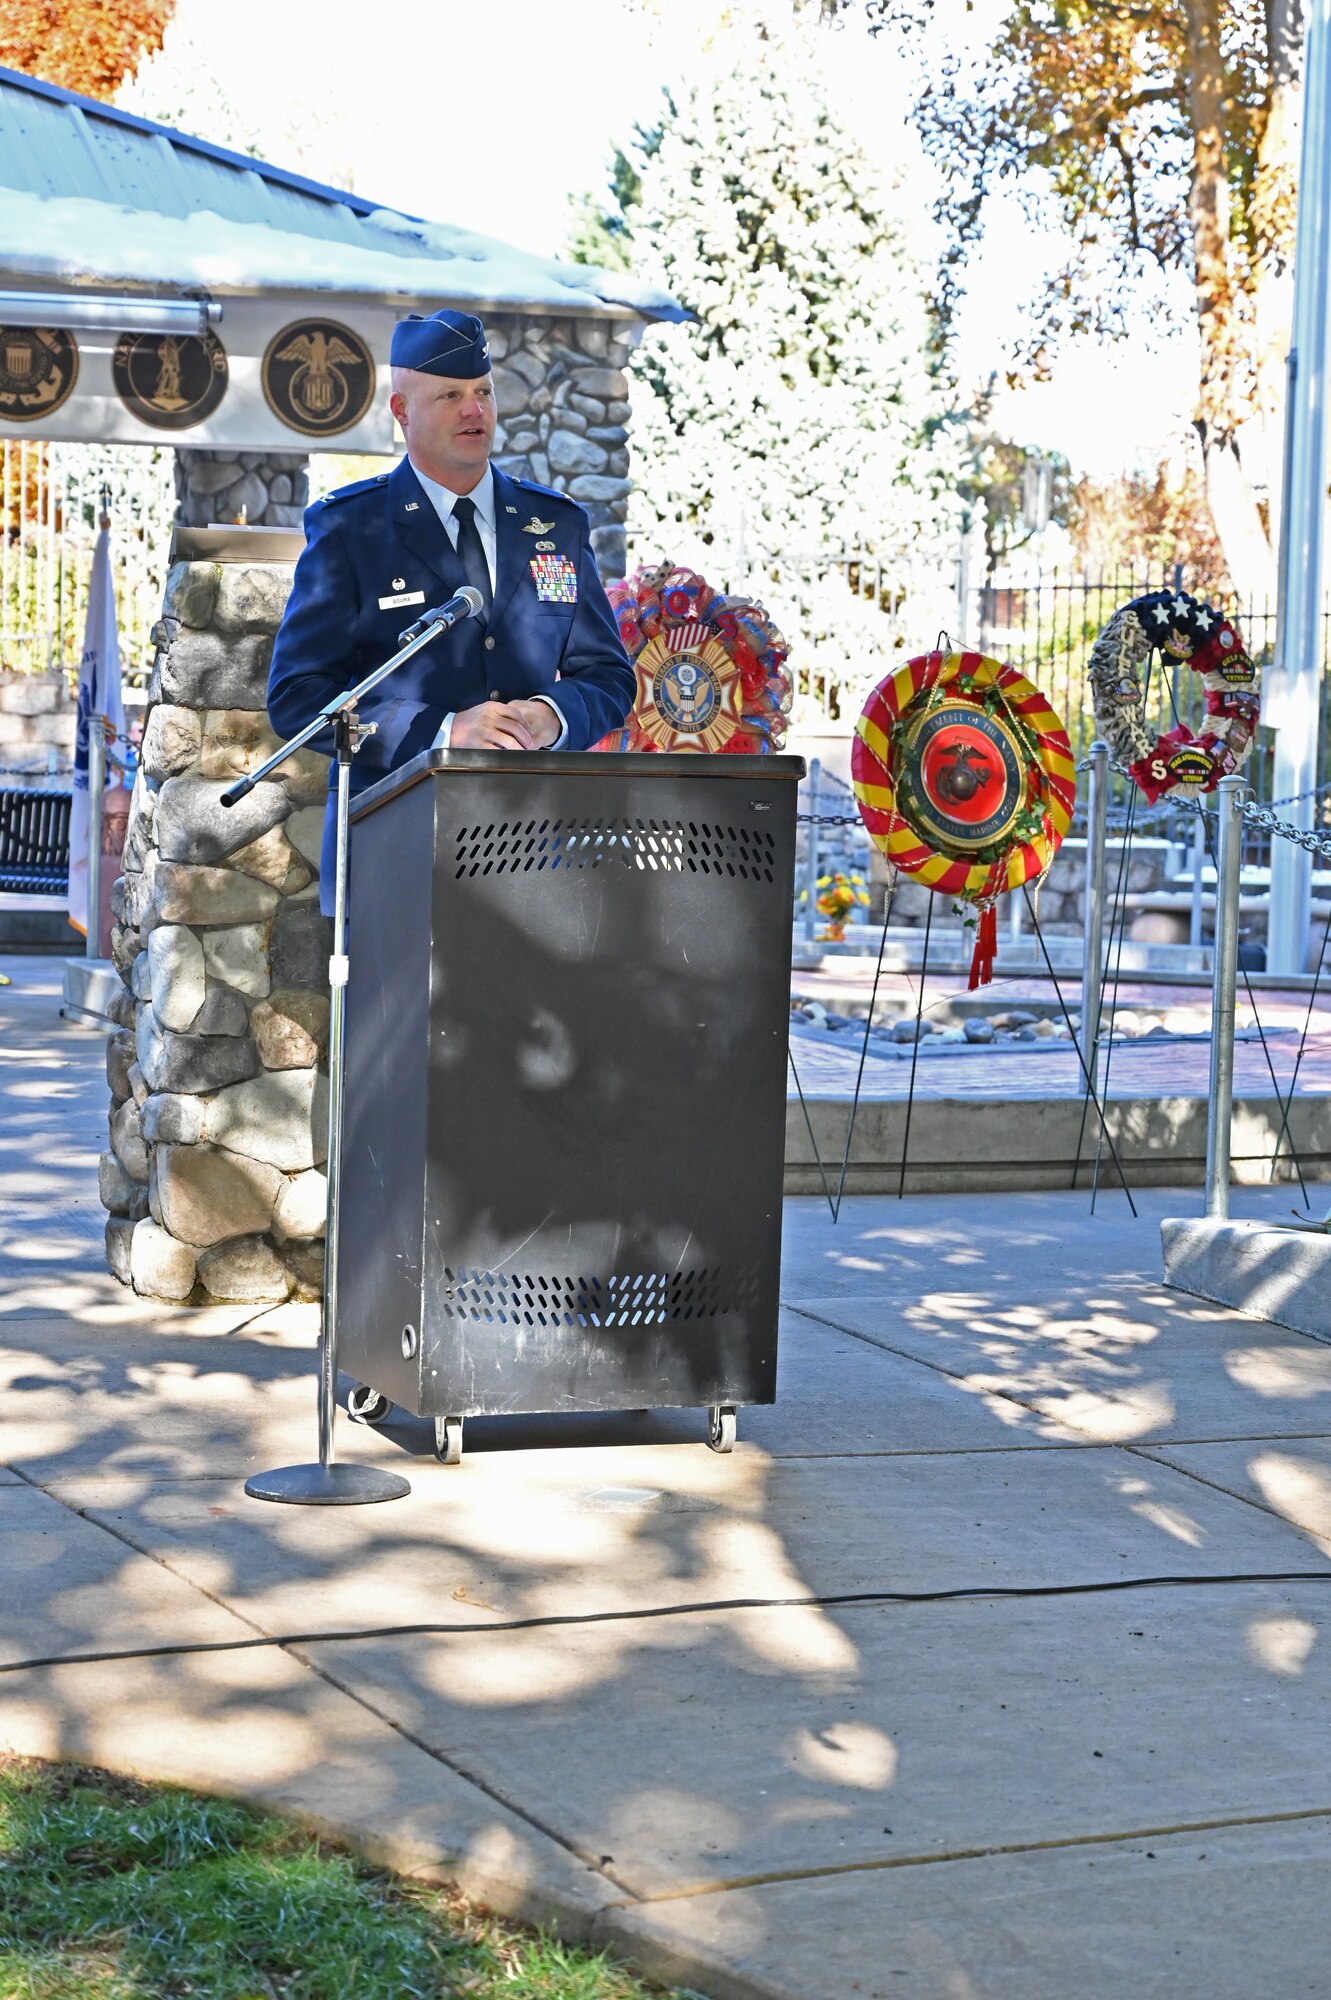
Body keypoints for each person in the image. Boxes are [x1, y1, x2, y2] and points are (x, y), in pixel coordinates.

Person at [267, 308, 635, 911]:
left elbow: (609, 678)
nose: (475, 410)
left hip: (532, 848)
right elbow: (299, 697)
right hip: (393, 844)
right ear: (400, 411)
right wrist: (443, 731)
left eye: (483, 392)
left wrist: (554, 715)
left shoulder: (556, 526)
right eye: (451, 395)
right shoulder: (352, 528)